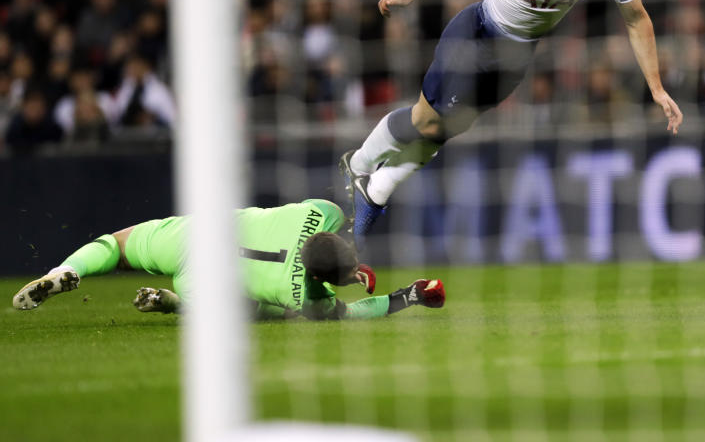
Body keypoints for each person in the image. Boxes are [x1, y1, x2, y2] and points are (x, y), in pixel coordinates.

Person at [340, 0, 683, 247]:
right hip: (477, 33)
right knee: (427, 121)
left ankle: (374, 187)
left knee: (447, 130)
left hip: (515, 58)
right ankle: (359, 171)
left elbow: (637, 18)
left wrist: (656, 87)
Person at [12, 198, 445, 320]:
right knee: (252, 308)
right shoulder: (306, 297)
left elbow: (344, 218)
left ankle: (66, 270)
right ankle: (179, 303)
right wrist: (409, 296)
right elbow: (356, 312)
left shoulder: (320, 211)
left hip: (195, 236)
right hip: (208, 282)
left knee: (118, 246)